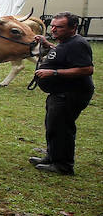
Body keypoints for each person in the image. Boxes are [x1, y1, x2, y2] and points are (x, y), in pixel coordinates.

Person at [29, 12, 94, 176]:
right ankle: (52, 157)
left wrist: (54, 73)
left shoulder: (78, 44)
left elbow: (87, 69)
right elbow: (61, 53)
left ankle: (63, 165)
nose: (54, 29)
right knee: (53, 125)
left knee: (62, 128)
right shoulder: (66, 42)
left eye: (59, 27)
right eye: (53, 26)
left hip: (70, 93)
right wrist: (47, 44)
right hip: (59, 93)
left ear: (73, 28)